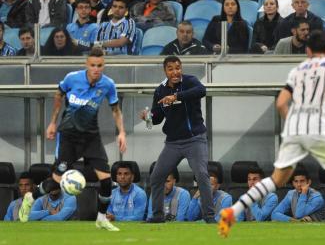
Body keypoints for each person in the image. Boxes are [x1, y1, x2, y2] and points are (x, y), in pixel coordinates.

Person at [218, 30, 325, 239]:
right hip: (316, 126)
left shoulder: (297, 71)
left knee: (276, 179)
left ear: (307, 50)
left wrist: (293, 123)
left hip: (293, 127)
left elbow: (281, 102)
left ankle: (232, 211)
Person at [18, 47, 127, 231]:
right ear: (87, 64)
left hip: (92, 136)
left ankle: (101, 218)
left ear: (104, 65)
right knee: (57, 180)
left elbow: (116, 110)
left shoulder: (108, 84)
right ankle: (30, 197)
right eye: (93, 65)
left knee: (107, 179)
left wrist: (122, 132)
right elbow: (58, 94)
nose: (96, 69)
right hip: (69, 135)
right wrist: (52, 123)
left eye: (100, 65)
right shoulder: (72, 78)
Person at [140, 55, 215, 223]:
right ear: (165, 71)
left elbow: (201, 91)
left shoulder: (190, 81)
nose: (175, 72)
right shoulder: (160, 90)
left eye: (178, 68)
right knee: (157, 176)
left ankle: (210, 217)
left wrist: (176, 97)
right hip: (173, 142)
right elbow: (157, 117)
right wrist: (147, 117)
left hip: (194, 139)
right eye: (171, 69)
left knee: (202, 175)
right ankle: (158, 216)